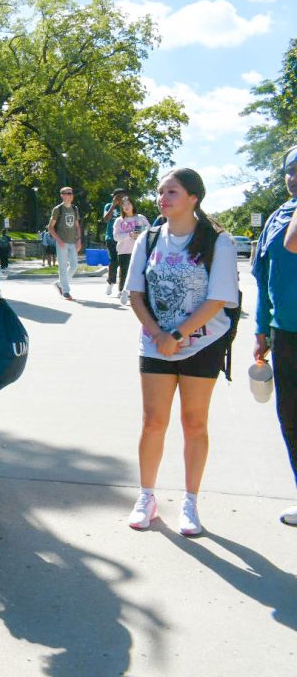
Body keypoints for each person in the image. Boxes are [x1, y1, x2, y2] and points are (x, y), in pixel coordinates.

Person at [124, 168, 238, 536]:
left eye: (171, 192)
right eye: (160, 192)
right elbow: (136, 294)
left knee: (194, 422)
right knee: (153, 421)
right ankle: (146, 497)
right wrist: (159, 334)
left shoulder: (216, 240)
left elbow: (218, 297)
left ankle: (190, 502)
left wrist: (178, 333)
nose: (162, 198)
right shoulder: (149, 237)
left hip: (202, 344)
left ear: (193, 197)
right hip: (156, 344)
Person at [252, 145, 297, 527]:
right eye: (292, 170)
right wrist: (260, 329)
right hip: (285, 332)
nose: (295, 176)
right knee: (291, 416)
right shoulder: (277, 218)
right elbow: (264, 279)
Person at [112, 195, 150, 305]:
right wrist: (129, 234)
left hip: (139, 250)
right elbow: (116, 237)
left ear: (133, 205)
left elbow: (149, 229)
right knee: (124, 272)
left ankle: (138, 294)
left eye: (128, 204)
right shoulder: (119, 221)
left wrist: (141, 231)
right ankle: (123, 292)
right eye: (124, 205)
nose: (126, 207)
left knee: (139, 273)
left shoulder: (140, 218)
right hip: (124, 251)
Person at [48, 187, 84, 300]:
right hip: (62, 242)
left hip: (73, 242)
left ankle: (60, 284)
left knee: (74, 265)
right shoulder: (58, 209)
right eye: (68, 193)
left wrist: (79, 240)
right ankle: (66, 291)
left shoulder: (75, 208)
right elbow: (50, 227)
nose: (71, 195)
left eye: (71, 193)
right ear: (62, 195)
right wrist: (58, 240)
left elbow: (77, 226)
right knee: (63, 267)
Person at [102, 188, 129, 295]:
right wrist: (113, 205)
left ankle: (122, 289)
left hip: (124, 239)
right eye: (117, 197)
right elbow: (106, 219)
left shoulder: (127, 207)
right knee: (114, 261)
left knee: (124, 263)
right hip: (111, 238)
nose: (119, 199)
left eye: (121, 197)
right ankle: (110, 282)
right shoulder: (109, 206)